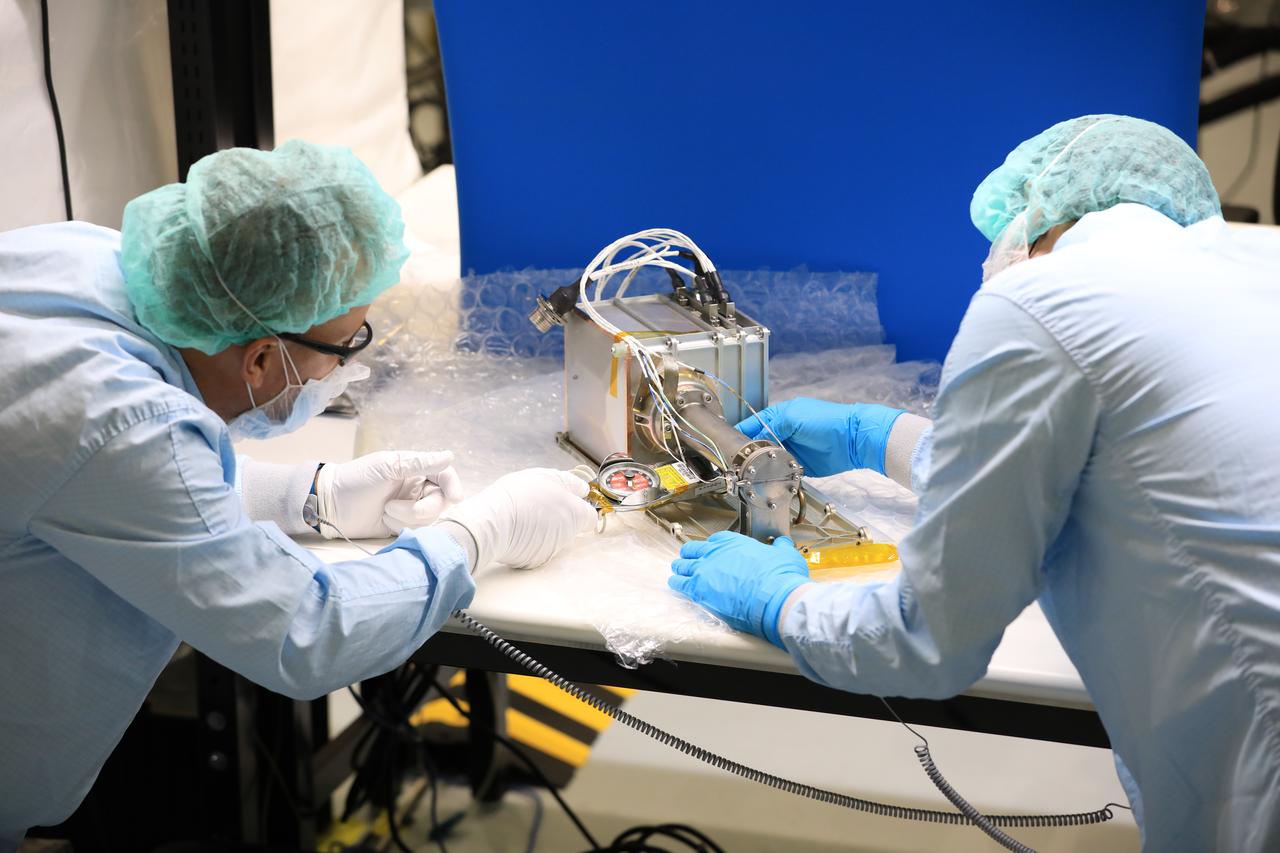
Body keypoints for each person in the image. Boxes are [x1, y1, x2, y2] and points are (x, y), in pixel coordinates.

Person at [667, 115, 1280, 851]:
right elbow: (1116, 468)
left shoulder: (1042, 301)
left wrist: (781, 601)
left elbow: (931, 639)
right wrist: (877, 434)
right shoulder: (1256, 260)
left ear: (1036, 215)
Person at [0, 141, 596, 847]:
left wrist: (311, 495)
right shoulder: (126, 422)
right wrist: (483, 531)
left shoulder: (82, 259)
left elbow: (108, 490)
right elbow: (307, 633)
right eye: (346, 347)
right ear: (259, 356)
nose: (350, 367)